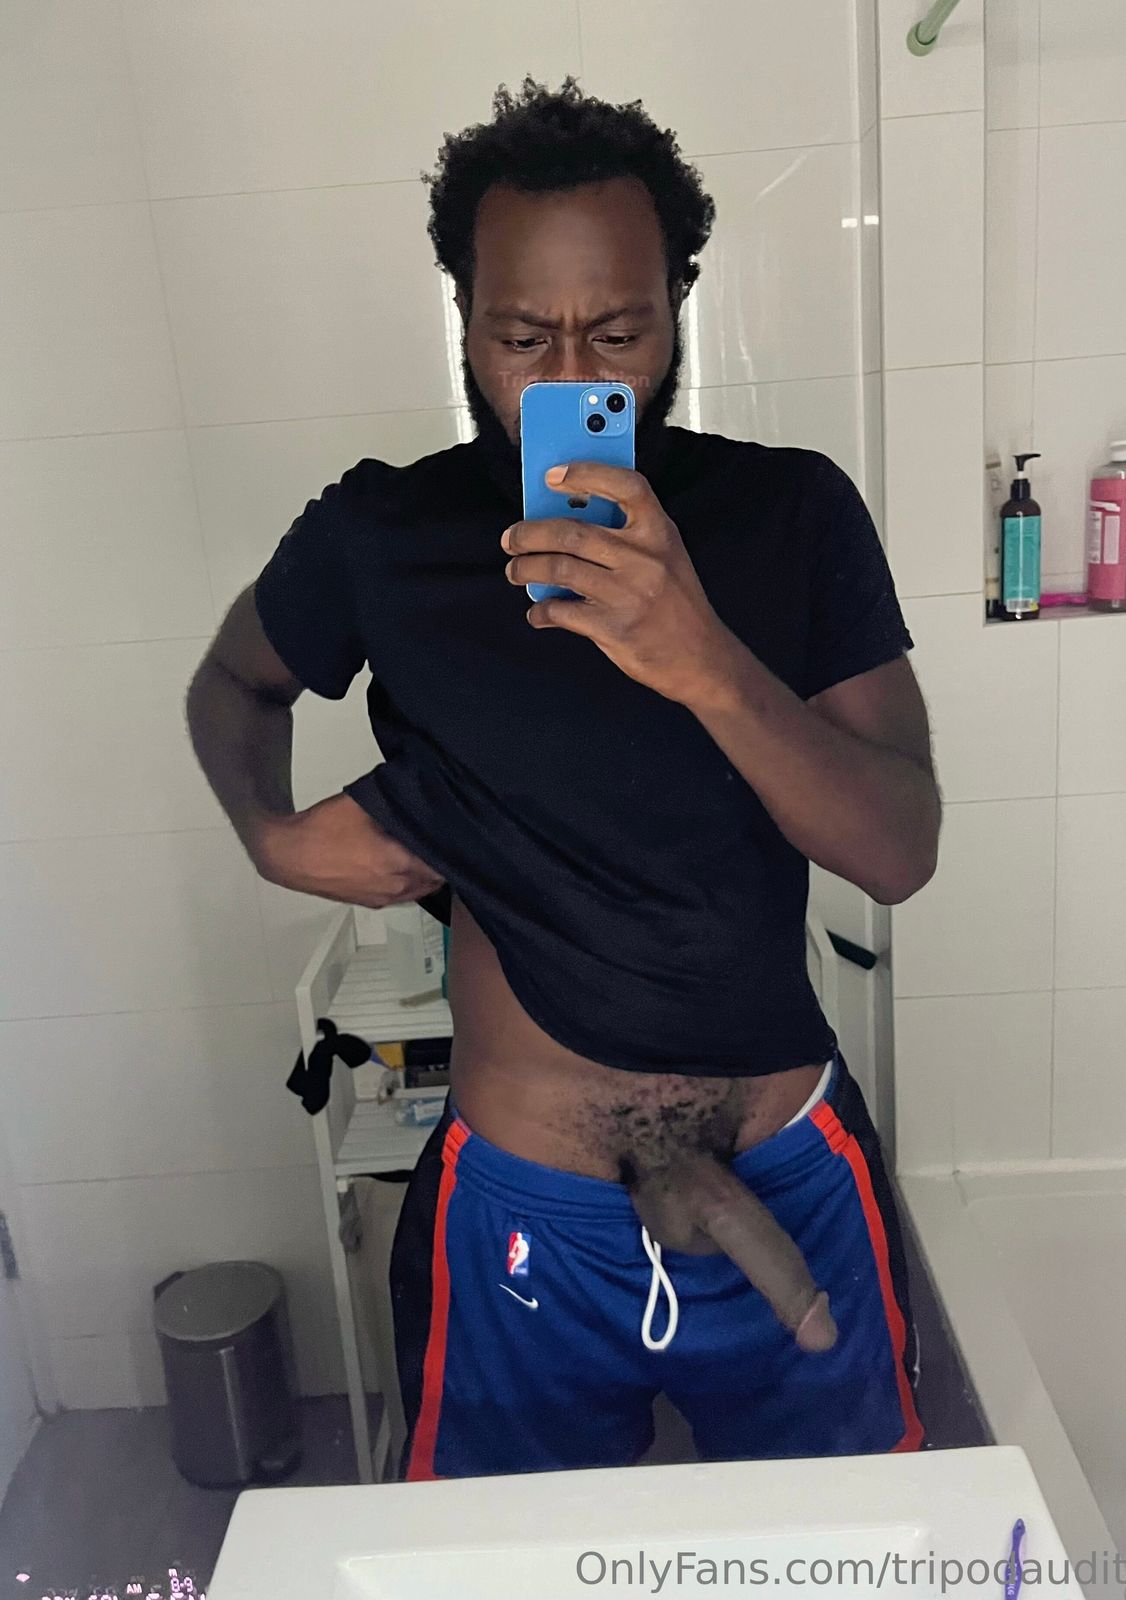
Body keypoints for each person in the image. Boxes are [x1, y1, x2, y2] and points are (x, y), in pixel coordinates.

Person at [186, 75, 942, 1482]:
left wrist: (703, 656)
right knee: (497, 1568)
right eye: (522, 335)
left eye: (619, 333)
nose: (569, 378)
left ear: (679, 309)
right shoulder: (384, 532)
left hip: (785, 1170)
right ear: (465, 320)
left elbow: (899, 849)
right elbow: (232, 683)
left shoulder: (792, 512)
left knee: (849, 1558)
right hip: (525, 1212)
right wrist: (269, 836)